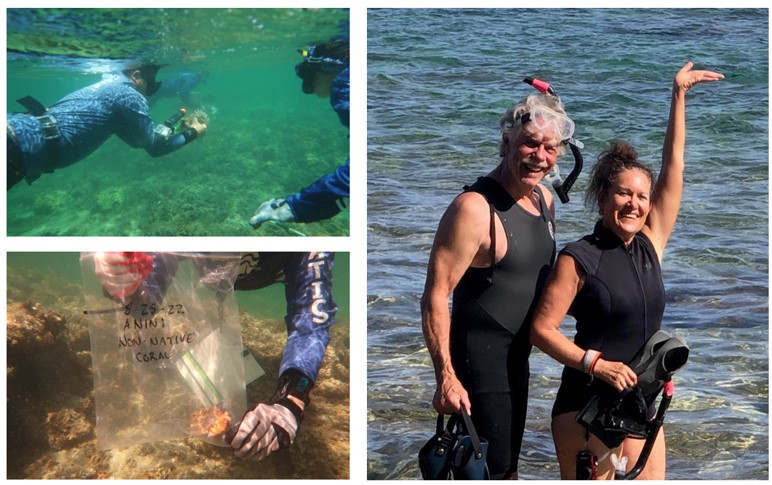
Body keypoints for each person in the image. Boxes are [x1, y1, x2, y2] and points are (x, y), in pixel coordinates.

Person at [529, 62, 723, 479]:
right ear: (602, 198)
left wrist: (679, 96)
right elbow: (541, 331)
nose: (634, 204)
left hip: (641, 403)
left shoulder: (650, 245)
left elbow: (675, 168)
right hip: (586, 409)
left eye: (642, 196)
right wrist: (595, 364)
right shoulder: (579, 258)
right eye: (623, 194)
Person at [420, 90, 577, 479]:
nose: (540, 156)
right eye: (530, 143)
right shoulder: (473, 209)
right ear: (507, 140)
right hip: (480, 364)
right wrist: (446, 377)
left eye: (550, 148)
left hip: (516, 361)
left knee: (504, 468)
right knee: (493, 471)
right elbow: (435, 295)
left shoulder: (544, 198)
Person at [93, 251, 337, 461]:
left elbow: (311, 321)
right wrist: (123, 280)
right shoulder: (180, 228)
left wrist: (293, 399)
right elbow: (146, 303)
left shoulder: (307, 250)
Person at [7, 62, 207, 189]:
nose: (151, 91)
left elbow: (138, 141)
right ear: (136, 76)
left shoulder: (110, 85)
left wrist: (175, 130)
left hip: (16, 135)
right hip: (16, 148)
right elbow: (154, 148)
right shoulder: (129, 95)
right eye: (151, 84)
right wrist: (192, 133)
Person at [249, 38, 349, 229]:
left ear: (324, 66)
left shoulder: (344, 84)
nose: (306, 85)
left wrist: (293, 208)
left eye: (306, 70)